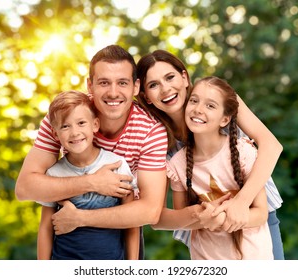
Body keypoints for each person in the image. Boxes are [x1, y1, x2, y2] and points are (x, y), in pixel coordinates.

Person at [15, 45, 168, 259]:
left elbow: (149, 211)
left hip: (119, 230)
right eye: (104, 82)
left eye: (122, 83)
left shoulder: (151, 131)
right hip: (68, 242)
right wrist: (93, 182)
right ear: (90, 85)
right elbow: (24, 189)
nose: (113, 92)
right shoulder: (64, 119)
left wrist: (80, 218)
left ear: (135, 87)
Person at [136, 50, 284, 259]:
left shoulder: (218, 96)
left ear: (184, 77)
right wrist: (202, 216)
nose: (165, 89)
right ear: (146, 97)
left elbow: (271, 145)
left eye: (170, 77)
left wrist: (241, 203)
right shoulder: (158, 140)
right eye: (153, 85)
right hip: (208, 235)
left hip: (254, 214)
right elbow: (157, 218)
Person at [157, 76, 274, 259]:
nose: (198, 109)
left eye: (210, 106)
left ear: (225, 119)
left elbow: (261, 214)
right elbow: (181, 218)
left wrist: (222, 219)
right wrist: (202, 219)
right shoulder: (177, 164)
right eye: (194, 101)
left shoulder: (243, 152)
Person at [37, 90, 139, 260]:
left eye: (81, 123)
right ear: (55, 134)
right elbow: (45, 228)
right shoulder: (54, 174)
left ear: (95, 125)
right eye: (65, 126)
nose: (74, 132)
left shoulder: (117, 165)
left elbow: (131, 224)